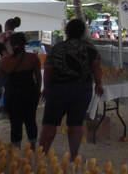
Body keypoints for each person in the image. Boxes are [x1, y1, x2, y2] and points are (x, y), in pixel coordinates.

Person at [39, 19, 103, 158]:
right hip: (82, 89)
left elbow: (48, 70)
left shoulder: (57, 47)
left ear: (67, 31)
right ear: (83, 32)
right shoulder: (91, 48)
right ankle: (74, 156)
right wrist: (99, 85)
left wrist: (46, 87)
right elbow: (97, 68)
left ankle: (41, 156)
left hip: (58, 89)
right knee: (76, 123)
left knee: (50, 123)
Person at [0, 32, 42, 149]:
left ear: (11, 45)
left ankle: (16, 148)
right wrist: (38, 91)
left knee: (15, 122)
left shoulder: (4, 61)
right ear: (24, 43)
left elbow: (0, 76)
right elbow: (38, 77)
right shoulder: (33, 58)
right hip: (29, 92)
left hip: (12, 94)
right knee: (30, 120)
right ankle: (32, 146)